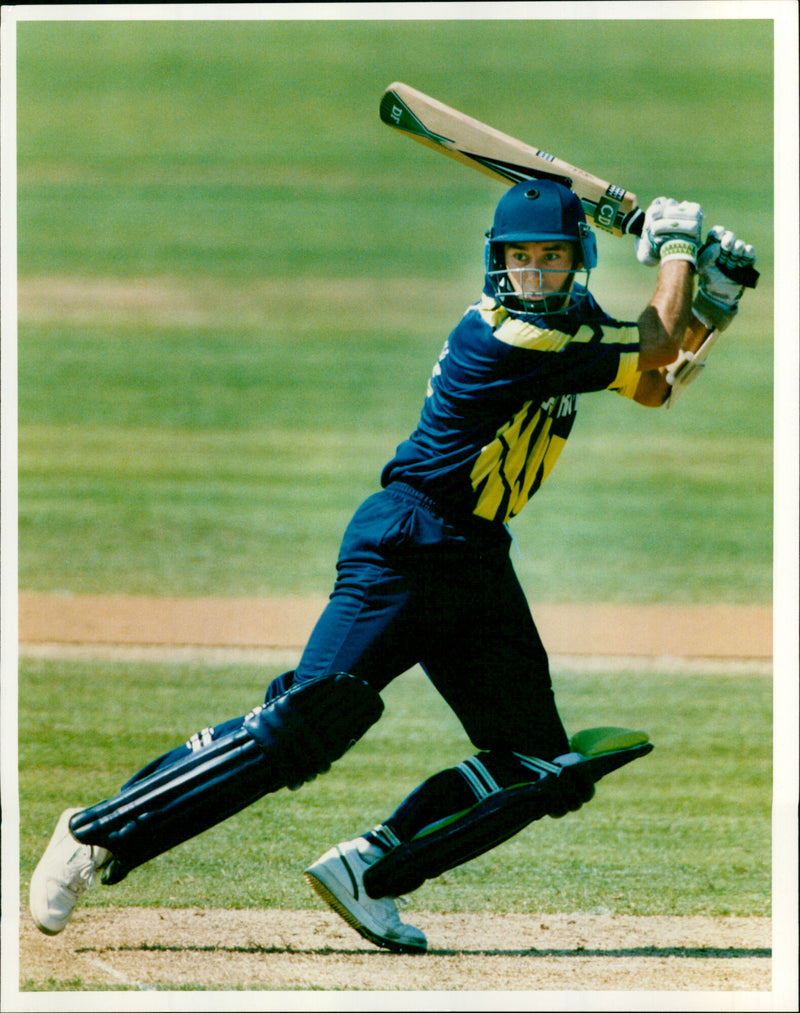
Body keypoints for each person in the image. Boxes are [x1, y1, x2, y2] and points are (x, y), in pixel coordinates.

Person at [29, 179, 756, 954]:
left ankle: (370, 873)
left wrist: (714, 302)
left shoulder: (574, 328)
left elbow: (653, 382)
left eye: (549, 259)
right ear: (496, 266)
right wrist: (679, 250)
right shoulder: (508, 338)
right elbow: (657, 339)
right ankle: (92, 833)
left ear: (576, 263)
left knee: (542, 765)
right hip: (406, 544)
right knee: (302, 725)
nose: (534, 275)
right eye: (520, 260)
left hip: (475, 560)